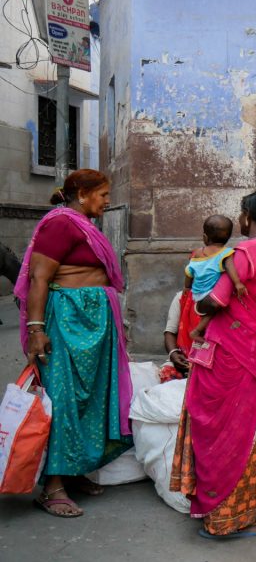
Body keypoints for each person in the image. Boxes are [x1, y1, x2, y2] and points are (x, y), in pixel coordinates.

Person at [170, 189, 256, 539]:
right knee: (251, 424)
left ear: (246, 216)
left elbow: (217, 301)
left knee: (218, 430)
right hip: (253, 349)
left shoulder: (246, 251)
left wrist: (196, 299)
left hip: (227, 352)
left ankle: (231, 513)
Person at [13, 169, 133, 518]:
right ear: (81, 193)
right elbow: (39, 277)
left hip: (94, 323)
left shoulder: (84, 225)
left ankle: (75, 471)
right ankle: (52, 487)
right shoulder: (60, 224)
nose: (108, 200)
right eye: (103, 193)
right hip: (67, 321)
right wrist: (37, 328)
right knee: (62, 399)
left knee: (92, 400)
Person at [183, 214, 246, 341]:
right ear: (228, 238)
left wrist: (186, 287)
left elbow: (189, 272)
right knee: (214, 311)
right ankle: (197, 331)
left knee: (209, 313)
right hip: (211, 295)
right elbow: (230, 268)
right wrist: (238, 283)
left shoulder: (197, 253)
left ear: (205, 237)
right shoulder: (225, 253)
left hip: (197, 293)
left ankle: (202, 332)